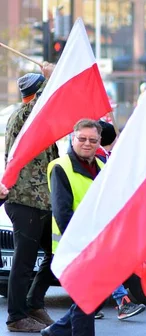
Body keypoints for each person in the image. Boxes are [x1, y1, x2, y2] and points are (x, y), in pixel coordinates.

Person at [4, 65, 57, 333]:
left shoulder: (38, 120)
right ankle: (16, 317)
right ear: (35, 95)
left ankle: (34, 302)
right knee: (23, 262)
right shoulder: (24, 116)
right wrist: (52, 77)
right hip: (24, 200)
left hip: (43, 201)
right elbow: (43, 104)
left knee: (57, 253)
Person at [41, 119, 106, 336]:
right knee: (86, 302)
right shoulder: (61, 167)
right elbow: (62, 214)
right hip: (73, 246)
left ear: (99, 142)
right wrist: (80, 245)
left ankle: (57, 331)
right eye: (82, 139)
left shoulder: (102, 167)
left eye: (93, 140)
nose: (87, 143)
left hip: (97, 246)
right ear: (73, 138)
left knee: (95, 298)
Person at [92, 120, 146, 321]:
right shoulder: (99, 159)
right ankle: (121, 300)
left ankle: (93, 304)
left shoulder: (106, 157)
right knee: (108, 261)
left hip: (103, 219)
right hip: (100, 221)